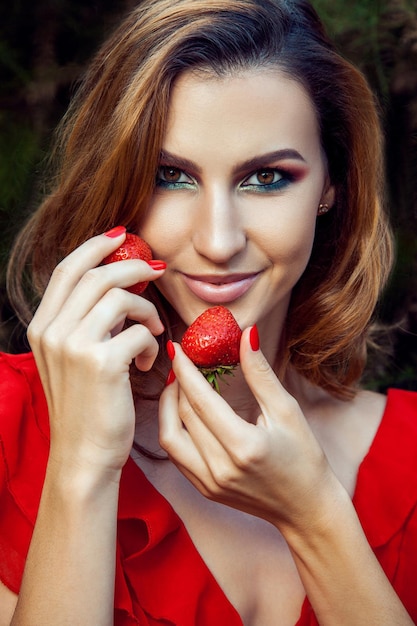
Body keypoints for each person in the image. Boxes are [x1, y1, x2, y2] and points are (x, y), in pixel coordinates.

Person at [0, 0, 416, 623]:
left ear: (333, 183)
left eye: (268, 178)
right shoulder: (11, 425)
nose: (219, 242)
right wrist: (82, 465)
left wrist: (316, 516)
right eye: (171, 175)